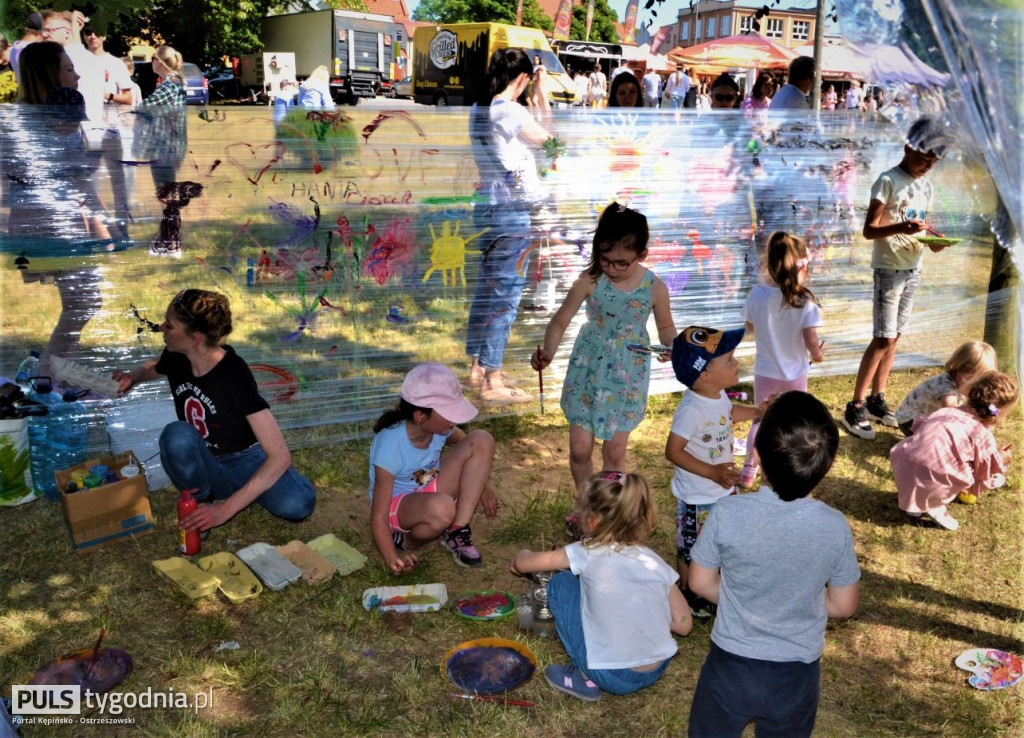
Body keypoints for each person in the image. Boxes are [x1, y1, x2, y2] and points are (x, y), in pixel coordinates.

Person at [687, 390, 861, 738]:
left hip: (730, 667)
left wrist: (743, 600)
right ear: (826, 467)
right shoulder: (834, 526)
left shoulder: (726, 513)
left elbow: (699, 583)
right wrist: (799, 602)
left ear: (757, 455)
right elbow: (844, 605)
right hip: (796, 675)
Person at [112, 289, 317, 532]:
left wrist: (224, 511)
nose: (162, 328)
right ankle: (201, 499)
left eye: (170, 325)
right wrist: (132, 377)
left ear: (195, 336)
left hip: (244, 459)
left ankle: (245, 491)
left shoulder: (233, 375)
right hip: (205, 461)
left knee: (298, 504)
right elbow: (155, 367)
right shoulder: (179, 354)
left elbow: (280, 456)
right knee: (176, 435)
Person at [511, 471, 692, 701]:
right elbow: (683, 625)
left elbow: (525, 563)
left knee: (562, 582)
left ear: (593, 521)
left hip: (610, 674)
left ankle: (584, 677)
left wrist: (521, 557)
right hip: (656, 668)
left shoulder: (585, 551)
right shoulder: (653, 562)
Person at [532, 204, 677, 488]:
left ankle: (609, 509)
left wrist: (672, 346)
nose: (612, 268)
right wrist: (548, 351)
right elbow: (560, 320)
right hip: (587, 372)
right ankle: (585, 503)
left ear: (642, 255)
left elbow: (666, 328)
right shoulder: (590, 280)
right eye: (605, 259)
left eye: (622, 262)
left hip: (627, 378)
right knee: (580, 448)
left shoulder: (655, 287)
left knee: (614, 451)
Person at [841, 118, 952, 439]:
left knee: (896, 336)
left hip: (912, 268)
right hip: (888, 268)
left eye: (934, 161)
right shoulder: (887, 181)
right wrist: (899, 229)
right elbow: (869, 230)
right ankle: (856, 405)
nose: (928, 165)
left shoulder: (925, 186)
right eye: (924, 158)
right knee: (883, 338)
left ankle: (878, 399)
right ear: (908, 147)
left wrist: (932, 241)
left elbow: (916, 226)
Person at [466, 48, 552, 404]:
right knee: (508, 294)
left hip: (487, 206)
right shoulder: (511, 110)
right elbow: (551, 139)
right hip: (510, 211)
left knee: (488, 290)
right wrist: (542, 93)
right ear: (522, 79)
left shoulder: (478, 109)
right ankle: (493, 380)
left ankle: (477, 367)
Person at [666, 326, 764, 617]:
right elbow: (673, 451)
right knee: (691, 547)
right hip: (698, 496)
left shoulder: (717, 394)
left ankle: (711, 584)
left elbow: (729, 413)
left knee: (722, 538)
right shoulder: (690, 410)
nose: (736, 363)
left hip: (723, 487)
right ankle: (688, 592)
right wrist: (711, 472)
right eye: (729, 360)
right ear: (705, 376)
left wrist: (758, 411)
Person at [368, 363, 498, 572]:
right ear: (420, 416)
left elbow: (471, 449)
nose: (455, 418)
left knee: (481, 439)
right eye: (449, 412)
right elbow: (378, 515)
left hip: (429, 487)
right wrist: (392, 558)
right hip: (399, 507)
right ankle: (406, 541)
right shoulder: (390, 445)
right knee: (443, 508)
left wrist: (482, 486)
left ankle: (457, 530)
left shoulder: (439, 428)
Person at [738, 232, 825, 489]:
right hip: (795, 374)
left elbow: (750, 327)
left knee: (761, 420)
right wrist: (818, 355)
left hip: (766, 372)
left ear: (769, 263)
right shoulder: (804, 302)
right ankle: (790, 464)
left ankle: (748, 470)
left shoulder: (758, 295)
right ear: (802, 266)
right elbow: (811, 340)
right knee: (794, 421)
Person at [891, 371, 1016, 531]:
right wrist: (1000, 459)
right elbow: (983, 470)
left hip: (903, 465)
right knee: (970, 471)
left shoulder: (945, 411)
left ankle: (914, 503)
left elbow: (922, 431)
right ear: (999, 414)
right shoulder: (982, 435)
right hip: (932, 477)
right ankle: (933, 504)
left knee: (932, 461)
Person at [895, 340, 997, 436]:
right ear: (961, 371)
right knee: (945, 434)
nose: (977, 388)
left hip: (925, 417)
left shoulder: (959, 381)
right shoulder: (946, 385)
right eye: (974, 382)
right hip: (909, 421)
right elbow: (951, 410)